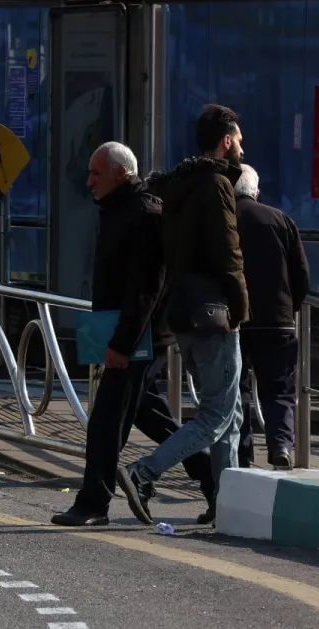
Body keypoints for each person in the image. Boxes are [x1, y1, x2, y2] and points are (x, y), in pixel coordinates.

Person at [51, 142, 216, 527]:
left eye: (96, 173)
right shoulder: (118, 209)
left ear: (120, 173)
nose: (89, 180)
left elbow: (147, 288)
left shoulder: (142, 213)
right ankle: (213, 479)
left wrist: (122, 345)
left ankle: (94, 502)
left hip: (140, 339)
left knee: (107, 420)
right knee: (149, 414)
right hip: (131, 334)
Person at [119, 104, 249, 525]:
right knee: (215, 415)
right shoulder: (216, 185)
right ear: (225, 141)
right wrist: (241, 306)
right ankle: (144, 471)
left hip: (185, 313)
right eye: (239, 141)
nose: (242, 149)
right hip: (214, 314)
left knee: (229, 416)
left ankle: (224, 504)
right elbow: (228, 253)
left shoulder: (179, 184)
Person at [233, 165, 309, 471]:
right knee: (279, 389)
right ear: (256, 191)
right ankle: (281, 446)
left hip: (235, 319)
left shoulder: (224, 220)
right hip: (277, 319)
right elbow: (301, 275)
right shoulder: (281, 220)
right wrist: (290, 307)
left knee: (237, 391)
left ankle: (242, 454)